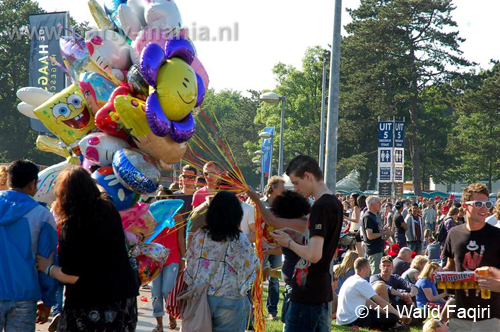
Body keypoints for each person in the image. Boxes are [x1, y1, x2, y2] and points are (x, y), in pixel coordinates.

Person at [36, 166, 139, 331]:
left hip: (90, 305)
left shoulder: (71, 226)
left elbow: (71, 276)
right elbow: (102, 191)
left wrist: (47, 268)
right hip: (122, 299)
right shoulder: (109, 210)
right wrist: (89, 178)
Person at [248, 155, 342, 332]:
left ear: (308, 176)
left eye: (296, 183)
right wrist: (298, 238)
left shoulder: (320, 207)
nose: (296, 189)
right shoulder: (334, 202)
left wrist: (288, 242)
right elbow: (320, 246)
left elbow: (314, 255)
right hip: (319, 291)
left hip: (307, 292)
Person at [184, 191, 259, 332]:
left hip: (202, 298)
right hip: (229, 300)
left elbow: (191, 265)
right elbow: (249, 269)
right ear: (237, 214)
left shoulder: (200, 236)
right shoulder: (240, 239)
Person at [0, 160, 58, 330]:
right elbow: (47, 259)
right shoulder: (42, 215)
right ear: (33, 183)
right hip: (24, 297)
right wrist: (48, 300)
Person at [443, 183, 500, 331]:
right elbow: (450, 266)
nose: (484, 208)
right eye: (478, 204)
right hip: (460, 315)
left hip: (490, 316)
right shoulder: (454, 234)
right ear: (465, 206)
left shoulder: (497, 235)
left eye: (487, 204)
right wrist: (439, 276)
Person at [262, 190, 311, 324]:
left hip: (300, 292)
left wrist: (253, 196)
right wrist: (272, 270)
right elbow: (292, 261)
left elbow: (270, 220)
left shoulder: (301, 224)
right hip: (293, 289)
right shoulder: (295, 226)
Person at [336, 257, 411, 331]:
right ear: (365, 268)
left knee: (383, 314)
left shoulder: (350, 280)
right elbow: (381, 302)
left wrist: (384, 313)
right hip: (353, 320)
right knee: (393, 318)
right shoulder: (361, 282)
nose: (370, 269)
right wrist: (399, 315)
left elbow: (368, 303)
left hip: (343, 320)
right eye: (369, 267)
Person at [151, 187, 186, 332]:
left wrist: (183, 258)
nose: (161, 201)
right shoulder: (151, 215)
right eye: (158, 198)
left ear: (171, 199)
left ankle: (171, 315)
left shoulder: (177, 217)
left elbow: (180, 239)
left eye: (164, 198)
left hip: (172, 258)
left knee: (168, 290)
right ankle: (159, 324)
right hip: (153, 259)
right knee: (156, 293)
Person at [260, 176, 285, 320]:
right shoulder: (260, 203)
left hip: (276, 247)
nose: (285, 190)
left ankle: (272, 311)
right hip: (261, 246)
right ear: (274, 188)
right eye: (282, 187)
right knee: (257, 278)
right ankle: (254, 309)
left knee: (274, 279)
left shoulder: (283, 205)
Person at [362, 195, 393, 275]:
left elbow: (378, 232)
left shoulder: (375, 216)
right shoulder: (368, 217)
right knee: (375, 275)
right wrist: (383, 233)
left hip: (379, 249)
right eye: (378, 202)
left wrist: (386, 232)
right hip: (374, 251)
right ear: (371, 204)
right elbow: (370, 235)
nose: (380, 204)